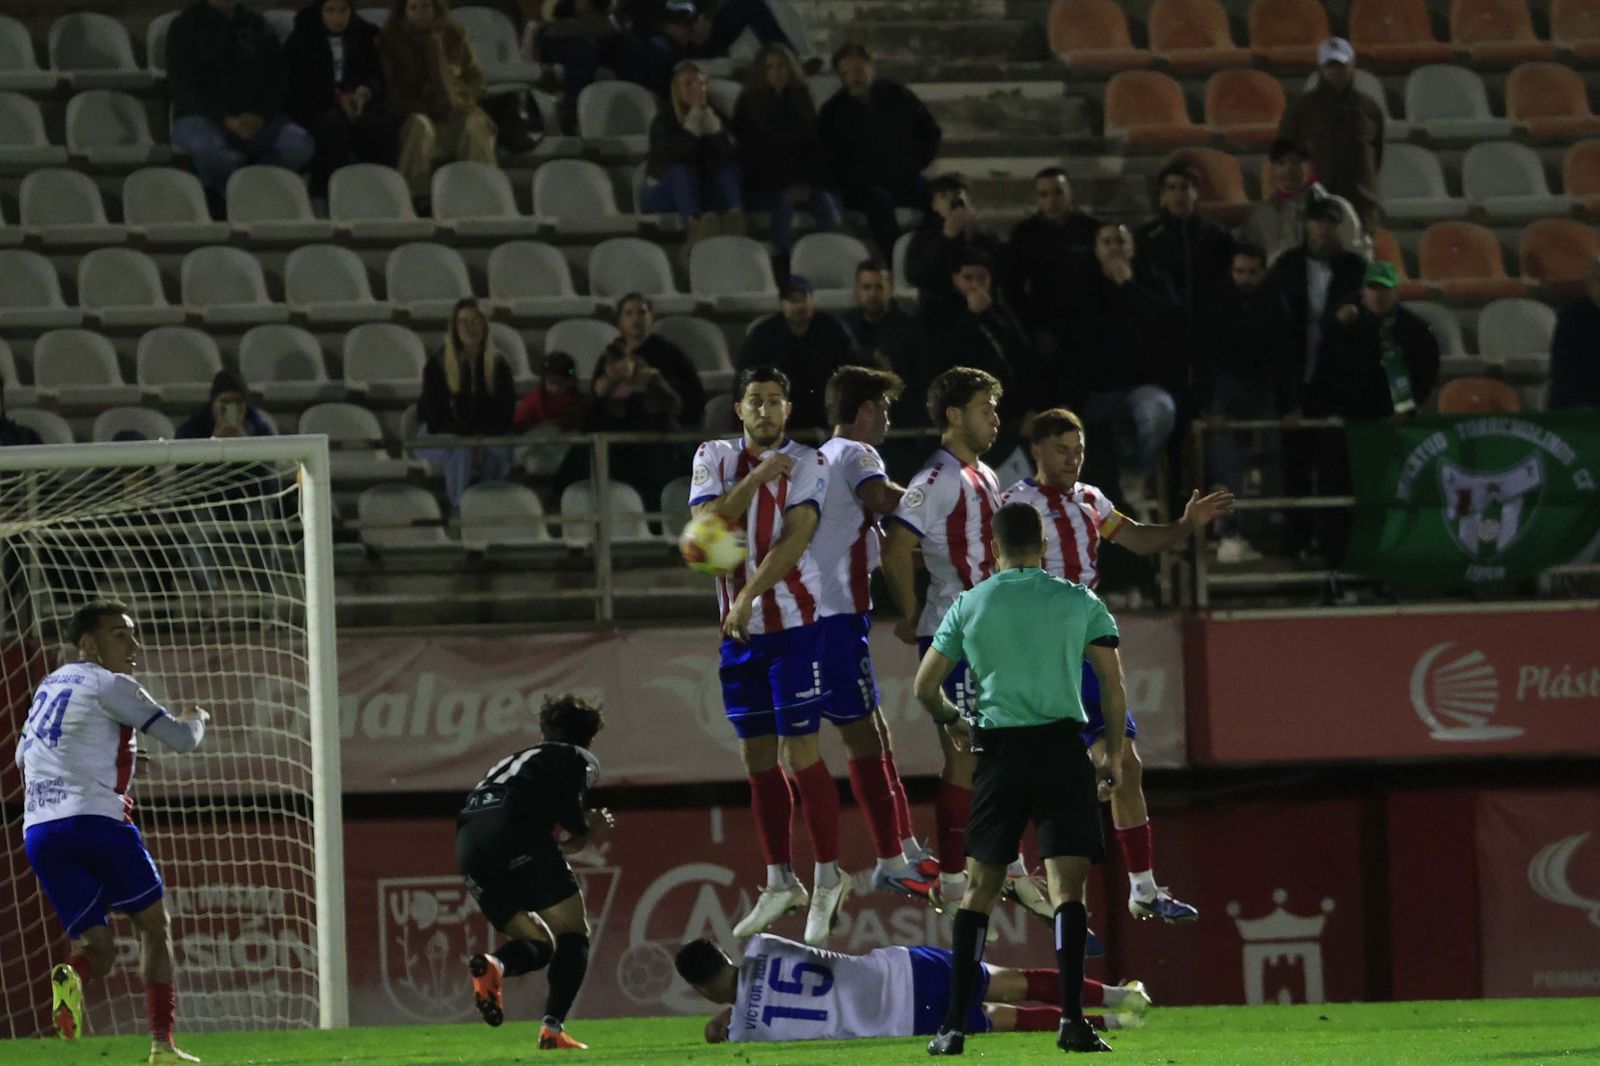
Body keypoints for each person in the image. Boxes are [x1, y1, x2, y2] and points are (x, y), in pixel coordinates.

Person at [1001, 409, 1229, 924]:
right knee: (1057, 763)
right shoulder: (1014, 502)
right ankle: (1007, 869)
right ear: (1036, 449)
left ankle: (1143, 888)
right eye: (1062, 448)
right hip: (1042, 644)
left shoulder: (1090, 499)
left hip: (1087, 637)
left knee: (1124, 766)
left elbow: (1139, 539)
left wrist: (1185, 525)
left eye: (1078, 448)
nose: (1073, 458)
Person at [914, 502, 1125, 1056]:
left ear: (993, 546)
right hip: (1062, 751)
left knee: (979, 891)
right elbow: (1111, 685)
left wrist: (953, 721)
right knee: (1068, 892)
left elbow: (922, 688)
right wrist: (1116, 758)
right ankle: (1074, 1023)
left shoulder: (970, 603)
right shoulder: (1078, 600)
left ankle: (954, 1027)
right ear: (1044, 546)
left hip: (1000, 756)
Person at [881, 368, 1054, 924]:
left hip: (992, 632)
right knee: (965, 755)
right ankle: (955, 881)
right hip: (959, 632)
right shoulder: (939, 478)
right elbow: (897, 545)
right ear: (954, 415)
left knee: (1002, 754)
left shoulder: (979, 474)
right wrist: (913, 616)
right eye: (986, 408)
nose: (996, 418)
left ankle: (1000, 869)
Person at [688, 366, 849, 946]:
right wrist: (756, 478)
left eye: (776, 401)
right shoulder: (713, 455)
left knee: (800, 748)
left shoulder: (811, 461)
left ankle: (829, 874)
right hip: (738, 635)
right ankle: (781, 880)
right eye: (755, 401)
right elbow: (704, 533)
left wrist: (749, 596)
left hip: (793, 625)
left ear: (787, 409)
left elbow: (795, 539)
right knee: (755, 756)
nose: (765, 411)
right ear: (739, 410)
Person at [18, 599, 209, 1062]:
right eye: (119, 635)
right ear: (89, 644)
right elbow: (182, 741)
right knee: (153, 927)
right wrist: (197, 717)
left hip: (40, 831)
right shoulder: (111, 683)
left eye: (133, 634)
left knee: (96, 949)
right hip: (96, 821)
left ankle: (73, 978)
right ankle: (162, 1046)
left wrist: (108, 757)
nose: (134, 644)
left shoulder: (49, 684)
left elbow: (25, 758)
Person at [816, 367, 937, 895]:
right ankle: (889, 856)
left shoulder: (824, 457)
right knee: (861, 736)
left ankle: (903, 843)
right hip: (831, 616)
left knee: (875, 731)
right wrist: (938, 500)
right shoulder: (857, 454)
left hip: (835, 612)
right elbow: (883, 496)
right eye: (884, 407)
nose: (888, 417)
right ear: (864, 409)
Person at [458, 693, 608, 1051]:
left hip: (469, 843)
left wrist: (562, 844)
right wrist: (593, 829)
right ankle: (552, 1031)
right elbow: (570, 815)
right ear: (588, 736)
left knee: (538, 944)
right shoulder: (576, 756)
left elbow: (536, 824)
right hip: (516, 835)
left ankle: (494, 965)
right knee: (572, 934)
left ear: (545, 730)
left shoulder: (510, 760)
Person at [675, 934, 1153, 1044]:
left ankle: (1115, 1023)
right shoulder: (760, 946)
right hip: (899, 973)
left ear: (699, 988)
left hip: (902, 1024)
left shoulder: (741, 1033)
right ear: (726, 956)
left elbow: (727, 1025)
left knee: (1001, 1018)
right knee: (1016, 981)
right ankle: (1118, 995)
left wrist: (727, 1017)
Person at [1305, 261, 1441, 568]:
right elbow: (1325, 371)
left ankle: (1381, 559)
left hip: (1387, 428)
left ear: (1396, 291)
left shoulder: (1413, 330)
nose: (1379, 295)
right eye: (1373, 288)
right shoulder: (1343, 324)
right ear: (1363, 290)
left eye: (1386, 289)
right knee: (1337, 494)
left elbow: (1425, 371)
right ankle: (1336, 564)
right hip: (1345, 428)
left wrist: (1406, 410)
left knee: (1383, 495)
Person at [1270, 196, 1369, 557]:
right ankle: (1294, 543)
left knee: (1334, 469)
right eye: (1317, 221)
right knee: (1294, 467)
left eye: (1330, 221)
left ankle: (1334, 548)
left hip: (1335, 383)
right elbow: (1277, 339)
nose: (1323, 228)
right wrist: (1288, 398)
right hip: (1297, 378)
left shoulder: (1356, 268)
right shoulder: (1287, 267)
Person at [1058, 223, 1182, 502]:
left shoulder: (1151, 282)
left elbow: (1169, 323)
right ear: (1096, 250)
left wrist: (1128, 287)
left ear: (1132, 247)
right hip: (1095, 392)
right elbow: (1071, 344)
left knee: (1160, 411)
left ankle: (1137, 471)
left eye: (1120, 241)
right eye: (1107, 242)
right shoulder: (1082, 288)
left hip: (1140, 388)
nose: (1114, 247)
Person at [167, 0, 315, 207]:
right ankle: (228, 200)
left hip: (255, 119)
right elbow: (184, 86)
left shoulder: (257, 25)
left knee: (299, 145)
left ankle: (254, 192)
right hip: (202, 117)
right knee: (215, 154)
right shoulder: (184, 26)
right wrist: (225, 118)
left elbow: (277, 79)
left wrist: (260, 116)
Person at [1202, 243, 1295, 559]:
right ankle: (1230, 532)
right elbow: (1204, 357)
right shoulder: (1215, 303)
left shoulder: (1276, 304)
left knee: (1272, 459)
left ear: (1263, 272)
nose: (1245, 278)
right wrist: (1209, 406)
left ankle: (1274, 530)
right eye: (1240, 272)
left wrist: (1289, 404)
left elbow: (1285, 357)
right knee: (1227, 465)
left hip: (1264, 390)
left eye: (1252, 272)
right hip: (1224, 391)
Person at [818, 43, 941, 259]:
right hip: (862, 188)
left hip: (902, 177)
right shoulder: (833, 111)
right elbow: (827, 158)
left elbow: (930, 132)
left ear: (871, 67)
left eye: (857, 70)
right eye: (845, 73)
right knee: (879, 203)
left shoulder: (897, 96)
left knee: (941, 199)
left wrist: (913, 164)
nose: (853, 78)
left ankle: (928, 254)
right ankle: (896, 263)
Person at [925, 249, 1044, 462]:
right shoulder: (940, 313)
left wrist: (1032, 408)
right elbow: (945, 359)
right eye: (968, 278)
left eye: (982, 278)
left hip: (1011, 415)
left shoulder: (1003, 312)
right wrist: (972, 316)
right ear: (955, 279)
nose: (975, 285)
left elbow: (1025, 360)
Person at [731, 43, 839, 265]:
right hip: (764, 186)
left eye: (781, 66)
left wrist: (805, 183)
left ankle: (829, 259)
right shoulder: (748, 104)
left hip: (801, 184)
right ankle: (782, 262)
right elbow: (751, 155)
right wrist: (786, 186)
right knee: (782, 203)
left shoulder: (802, 100)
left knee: (826, 203)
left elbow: (813, 149)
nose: (777, 72)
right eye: (770, 67)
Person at [379, 0, 497, 201]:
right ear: (404, 11)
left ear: (435, 8)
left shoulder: (454, 34)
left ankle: (482, 194)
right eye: (413, 8)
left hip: (458, 107)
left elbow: (475, 77)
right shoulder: (391, 40)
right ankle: (416, 198)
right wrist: (428, 106)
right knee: (420, 126)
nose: (420, 13)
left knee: (475, 126)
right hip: (417, 110)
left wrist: (462, 99)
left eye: (425, 7)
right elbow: (392, 92)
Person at [283, 0, 397, 195]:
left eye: (343, 10)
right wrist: (336, 98)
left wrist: (363, 93)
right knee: (332, 127)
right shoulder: (301, 38)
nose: (338, 18)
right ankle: (335, 195)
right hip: (316, 106)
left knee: (381, 127)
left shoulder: (362, 34)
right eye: (330, 11)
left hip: (358, 103)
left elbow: (375, 75)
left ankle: (381, 193)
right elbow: (298, 86)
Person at [418, 298, 517, 511]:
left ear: (484, 325)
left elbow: (504, 414)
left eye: (474, 321)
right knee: (462, 451)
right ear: (454, 327)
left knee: (497, 452)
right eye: (462, 322)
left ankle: (490, 509)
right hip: (441, 435)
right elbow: (436, 419)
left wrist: (481, 440)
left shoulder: (499, 366)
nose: (469, 327)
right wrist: (473, 441)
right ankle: (460, 509)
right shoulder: (436, 365)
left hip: (484, 436)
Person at [1277, 37, 1384, 233]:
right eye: (1330, 66)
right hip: (1313, 202)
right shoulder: (1301, 108)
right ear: (1320, 68)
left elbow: (1376, 154)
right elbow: (1284, 154)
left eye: (1341, 65)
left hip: (1359, 203)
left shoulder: (1368, 108)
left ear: (1352, 65)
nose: (1336, 71)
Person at [736, 276, 859, 432]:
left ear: (812, 301)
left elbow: (851, 375)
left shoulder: (834, 330)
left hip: (824, 416)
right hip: (776, 416)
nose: (799, 305)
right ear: (782, 304)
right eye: (793, 300)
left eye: (804, 299)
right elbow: (746, 378)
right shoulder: (763, 334)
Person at [643, 60, 743, 245]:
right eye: (688, 84)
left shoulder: (717, 116)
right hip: (666, 192)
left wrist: (716, 132)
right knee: (682, 171)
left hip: (702, 190)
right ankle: (694, 226)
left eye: (700, 84)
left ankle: (735, 217)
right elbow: (673, 160)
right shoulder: (664, 120)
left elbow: (733, 155)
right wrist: (694, 123)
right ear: (677, 91)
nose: (695, 89)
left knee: (730, 170)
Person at [1133, 161, 1235, 340]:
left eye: (1185, 187)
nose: (1179, 194)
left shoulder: (1216, 235)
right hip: (1162, 328)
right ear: (1163, 195)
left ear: (1195, 193)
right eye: (1171, 188)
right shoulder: (1146, 236)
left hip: (1208, 326)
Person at [1006, 167, 1102, 352]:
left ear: (1070, 193)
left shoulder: (1090, 229)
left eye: (1058, 192)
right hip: (1046, 323)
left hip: (1088, 321)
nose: (1052, 200)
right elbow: (1014, 286)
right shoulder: (1024, 234)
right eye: (1044, 194)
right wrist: (1035, 328)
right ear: (1037, 198)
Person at [1239, 137, 1365, 266]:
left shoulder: (1338, 208)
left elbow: (1357, 255)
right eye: (1280, 163)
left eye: (1295, 162)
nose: (1287, 169)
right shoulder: (1262, 213)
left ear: (1310, 165)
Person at [590, 337, 684, 503]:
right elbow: (596, 418)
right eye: (611, 362)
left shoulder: (649, 379)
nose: (617, 366)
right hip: (618, 449)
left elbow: (673, 405)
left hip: (652, 445)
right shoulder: (604, 386)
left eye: (621, 360)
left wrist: (648, 396)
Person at [905, 174, 1008, 313]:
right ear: (934, 204)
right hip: (941, 308)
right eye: (943, 196)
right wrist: (946, 239)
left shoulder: (985, 236)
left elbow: (1002, 270)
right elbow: (917, 276)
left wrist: (971, 236)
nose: (951, 201)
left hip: (984, 303)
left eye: (956, 194)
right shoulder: (923, 236)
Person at [615, 292, 706, 426]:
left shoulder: (670, 353)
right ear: (619, 321)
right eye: (628, 313)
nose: (635, 318)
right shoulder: (612, 353)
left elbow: (693, 397)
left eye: (641, 312)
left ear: (651, 317)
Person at [1550, 259, 1600, 410]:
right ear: (1588, 285)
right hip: (1579, 406)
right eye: (1598, 280)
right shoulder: (1571, 317)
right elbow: (1562, 370)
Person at [176, 370, 275, 440]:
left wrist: (246, 446)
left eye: (237, 402)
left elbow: (269, 466)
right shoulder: (193, 428)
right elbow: (182, 466)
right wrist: (213, 445)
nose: (231, 408)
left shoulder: (258, 426)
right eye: (225, 402)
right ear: (213, 405)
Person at [512, 351, 591, 432]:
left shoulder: (578, 401)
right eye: (551, 382)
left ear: (570, 381)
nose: (555, 388)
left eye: (560, 383)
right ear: (544, 379)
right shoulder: (533, 402)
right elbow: (517, 427)